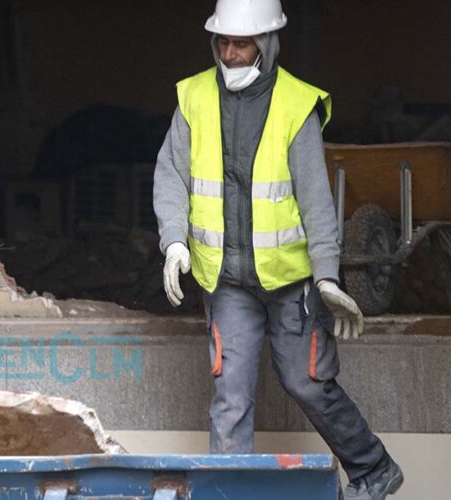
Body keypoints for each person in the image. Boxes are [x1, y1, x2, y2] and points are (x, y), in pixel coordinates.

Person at [152, 1, 403, 498]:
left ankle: (375, 469)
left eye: (241, 44)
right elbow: (171, 176)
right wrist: (174, 241)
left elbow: (316, 198)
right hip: (226, 280)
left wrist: (327, 276)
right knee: (231, 397)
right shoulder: (194, 97)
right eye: (223, 43)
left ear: (266, 44)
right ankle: (230, 493)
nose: (230, 53)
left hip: (290, 282)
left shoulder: (295, 104)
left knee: (307, 381)